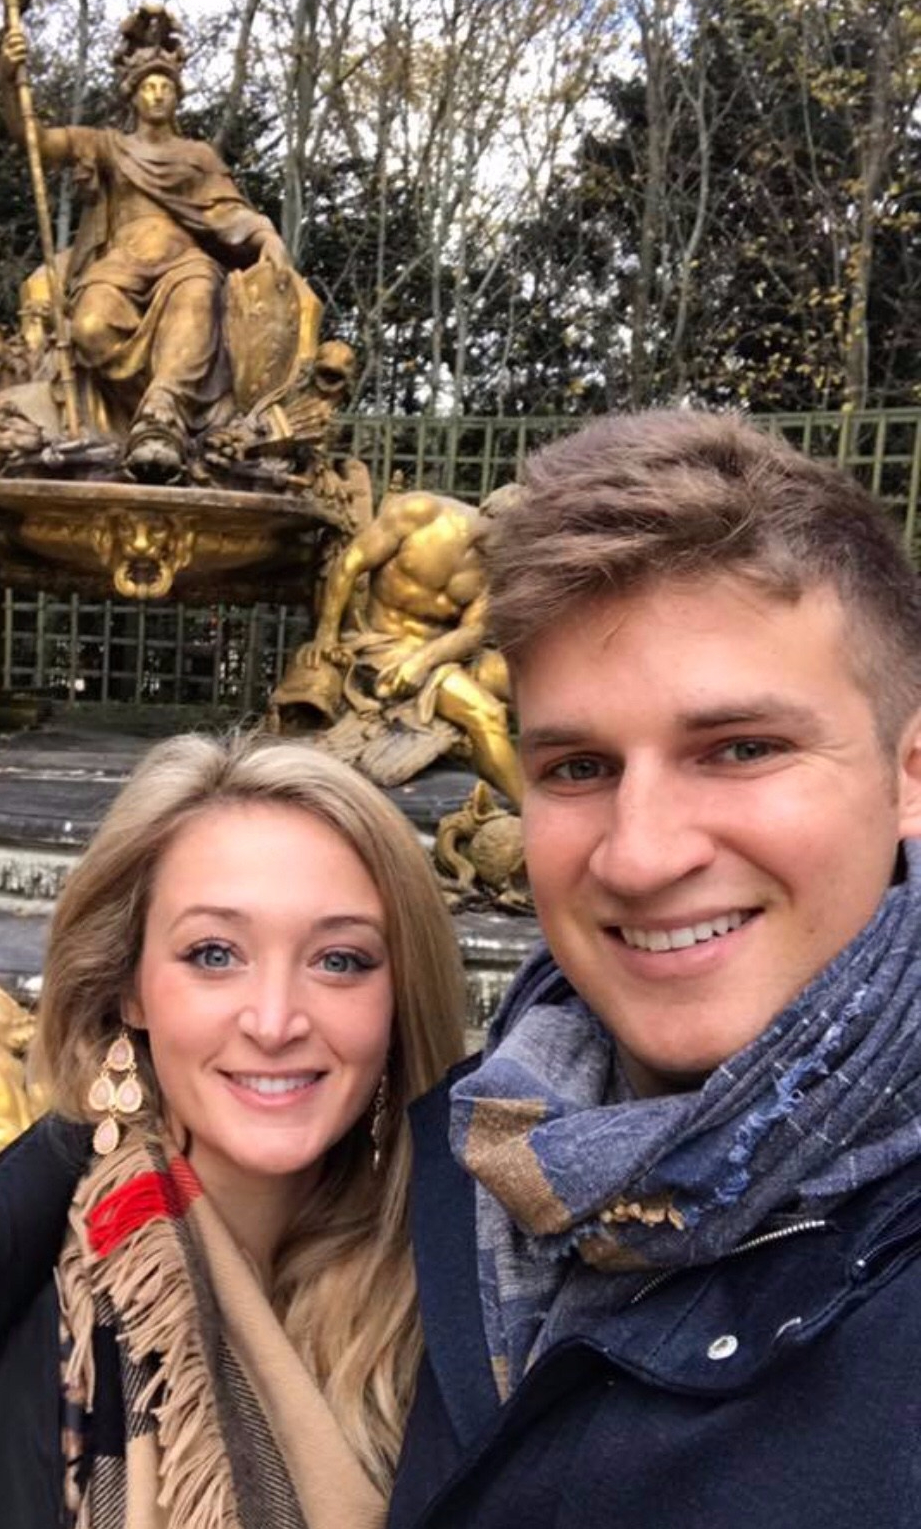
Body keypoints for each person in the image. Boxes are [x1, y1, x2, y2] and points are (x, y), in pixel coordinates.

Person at [0, 734, 468, 1529]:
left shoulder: (482, 1314)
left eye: (340, 960)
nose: (274, 1022)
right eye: (214, 953)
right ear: (127, 988)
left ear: (398, 999)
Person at [390, 409, 921, 1529]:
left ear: (909, 773)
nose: (639, 856)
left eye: (740, 749)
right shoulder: (463, 1148)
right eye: (579, 767)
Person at [0, 6, 290, 477]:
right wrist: (11, 83)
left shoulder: (197, 156)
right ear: (133, 96)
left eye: (165, 87)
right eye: (148, 87)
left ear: (177, 95)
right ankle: (145, 418)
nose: (157, 94)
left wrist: (265, 234)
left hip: (184, 264)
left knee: (199, 295)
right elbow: (35, 139)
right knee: (89, 326)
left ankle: (162, 414)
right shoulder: (107, 146)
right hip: (120, 266)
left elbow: (228, 211)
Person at [280, 489, 523, 803]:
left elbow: (473, 630)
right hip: (383, 647)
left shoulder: (497, 565)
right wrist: (326, 634)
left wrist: (422, 661)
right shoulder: (422, 512)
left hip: (443, 653)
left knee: (532, 687)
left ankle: (535, 785)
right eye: (517, 536)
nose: (518, 549)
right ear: (495, 516)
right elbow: (350, 563)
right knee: (486, 714)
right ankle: (528, 814)